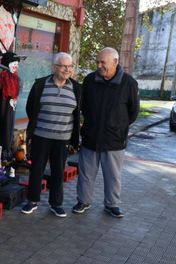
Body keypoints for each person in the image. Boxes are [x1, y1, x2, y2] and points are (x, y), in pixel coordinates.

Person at [72, 47, 139, 218]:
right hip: (91, 137)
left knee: (113, 176)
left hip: (114, 140)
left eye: (103, 62)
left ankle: (112, 205)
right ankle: (83, 201)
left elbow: (134, 112)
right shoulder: (89, 80)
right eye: (97, 62)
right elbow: (83, 106)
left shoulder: (129, 83)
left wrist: (118, 126)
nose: (99, 65)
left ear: (116, 63)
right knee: (86, 174)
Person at [21, 52, 81, 218]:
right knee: (36, 170)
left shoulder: (76, 88)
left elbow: (76, 114)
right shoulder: (41, 85)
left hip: (63, 139)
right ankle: (32, 201)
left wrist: (75, 139)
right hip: (41, 136)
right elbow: (30, 108)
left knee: (58, 171)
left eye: (70, 66)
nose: (67, 69)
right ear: (54, 67)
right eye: (63, 66)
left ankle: (56, 204)